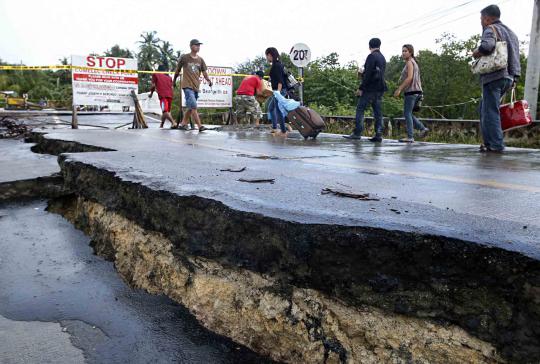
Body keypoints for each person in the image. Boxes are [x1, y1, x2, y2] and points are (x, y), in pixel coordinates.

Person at [472, 4, 520, 153]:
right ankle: (488, 142)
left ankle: (496, 145)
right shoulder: (511, 33)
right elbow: (515, 56)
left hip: (494, 76)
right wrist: (515, 77)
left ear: (487, 18)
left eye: (481, 19)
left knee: (490, 110)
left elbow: (487, 46)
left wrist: (476, 52)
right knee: (484, 107)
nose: (481, 22)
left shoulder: (490, 29)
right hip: (509, 77)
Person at [344, 38, 388, 142]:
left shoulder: (371, 56)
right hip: (380, 88)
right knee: (377, 111)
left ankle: (357, 132)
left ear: (369, 46)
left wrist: (361, 87)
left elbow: (368, 75)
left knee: (360, 109)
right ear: (379, 45)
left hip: (370, 89)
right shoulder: (382, 57)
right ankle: (378, 134)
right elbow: (377, 73)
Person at [173, 39, 213, 132]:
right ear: (191, 46)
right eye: (196, 45)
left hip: (196, 86)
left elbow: (204, 72)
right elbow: (177, 70)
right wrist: (174, 80)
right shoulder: (184, 57)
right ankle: (200, 126)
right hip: (187, 85)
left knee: (190, 107)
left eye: (199, 45)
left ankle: (183, 124)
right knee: (194, 105)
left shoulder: (200, 60)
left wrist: (208, 80)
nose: (198, 47)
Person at [394, 44, 429, 143]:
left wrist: (399, 89)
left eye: (406, 51)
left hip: (412, 91)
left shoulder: (409, 63)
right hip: (417, 91)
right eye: (403, 51)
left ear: (411, 52)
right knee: (408, 113)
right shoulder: (414, 63)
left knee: (407, 113)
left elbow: (409, 78)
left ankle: (410, 136)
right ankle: (422, 128)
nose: (403, 53)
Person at [265, 47, 288, 135]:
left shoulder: (276, 66)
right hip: (277, 90)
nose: (267, 58)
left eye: (266, 56)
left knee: (278, 110)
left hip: (279, 90)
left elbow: (280, 81)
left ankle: (283, 131)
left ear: (270, 55)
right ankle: (275, 128)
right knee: (271, 108)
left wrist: (278, 93)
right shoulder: (277, 64)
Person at [149, 64, 176, 128]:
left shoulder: (155, 74)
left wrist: (151, 94)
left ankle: (173, 123)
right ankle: (161, 125)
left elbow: (153, 86)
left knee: (165, 111)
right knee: (166, 111)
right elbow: (171, 87)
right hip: (170, 95)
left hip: (163, 96)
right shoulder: (169, 77)